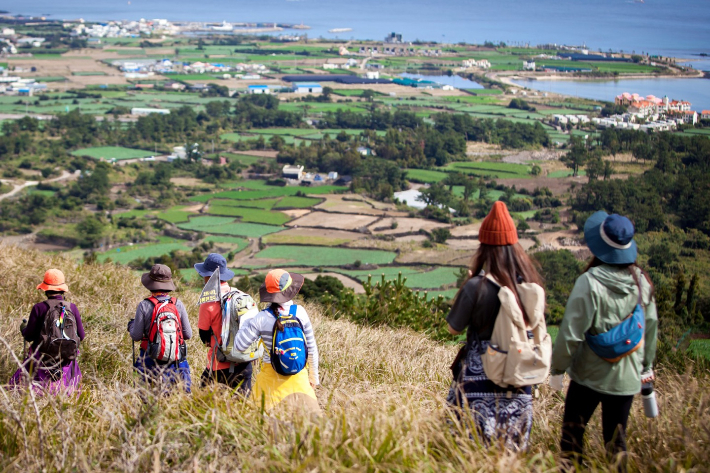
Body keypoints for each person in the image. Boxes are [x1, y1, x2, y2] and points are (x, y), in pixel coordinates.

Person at [550, 211, 658, 470]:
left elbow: (570, 334)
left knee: (572, 437)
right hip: (626, 379)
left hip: (588, 375)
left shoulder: (589, 282)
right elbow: (650, 329)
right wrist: (646, 368)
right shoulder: (641, 282)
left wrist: (557, 370)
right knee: (617, 444)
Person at [446, 201, 544, 450]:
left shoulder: (475, 286)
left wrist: (466, 288)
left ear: (484, 247)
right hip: (518, 376)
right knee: (511, 451)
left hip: (480, 377)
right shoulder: (529, 286)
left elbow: (453, 329)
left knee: (468, 450)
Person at [233, 269, 320, 413]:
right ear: (290, 290)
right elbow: (311, 348)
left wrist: (247, 320)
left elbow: (239, 346)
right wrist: (314, 378)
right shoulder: (300, 312)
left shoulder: (261, 318)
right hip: (299, 380)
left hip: (269, 384)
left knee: (265, 427)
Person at [10, 269, 85, 395]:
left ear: (45, 289)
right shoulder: (72, 307)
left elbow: (29, 336)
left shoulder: (39, 308)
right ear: (62, 289)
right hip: (67, 359)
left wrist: (23, 328)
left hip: (42, 359)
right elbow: (81, 336)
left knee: (17, 385)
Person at [128, 264, 193, 393]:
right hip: (175, 361)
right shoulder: (178, 304)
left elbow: (136, 336)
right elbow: (188, 334)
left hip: (149, 359)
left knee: (146, 399)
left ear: (151, 284)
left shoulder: (144, 305)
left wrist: (131, 326)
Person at [195, 253, 254, 393]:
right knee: (243, 408)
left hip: (219, 365)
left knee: (203, 404)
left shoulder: (208, 303)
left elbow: (203, 336)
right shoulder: (242, 296)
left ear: (208, 277)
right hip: (244, 362)